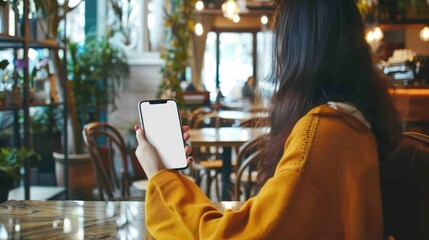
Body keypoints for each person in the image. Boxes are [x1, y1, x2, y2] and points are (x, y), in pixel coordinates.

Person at [134, 0, 403, 238]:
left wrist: (160, 175)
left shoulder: (322, 132)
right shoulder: (354, 124)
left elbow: (236, 236)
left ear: (297, 48)